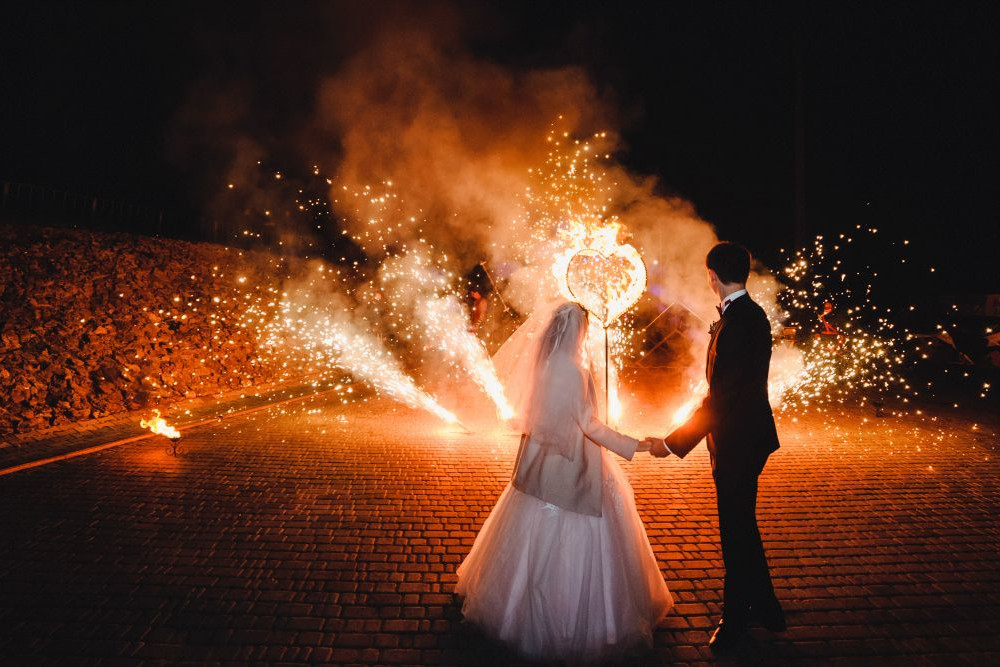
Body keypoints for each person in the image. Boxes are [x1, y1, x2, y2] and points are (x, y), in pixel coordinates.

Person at [456, 302, 672, 662]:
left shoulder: (544, 366)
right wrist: (636, 445)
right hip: (575, 469)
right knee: (587, 529)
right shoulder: (576, 372)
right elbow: (589, 425)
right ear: (578, 331)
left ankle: (510, 612)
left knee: (529, 530)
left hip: (541, 465)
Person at [645, 242, 785, 652]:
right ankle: (767, 608)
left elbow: (720, 400)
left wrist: (673, 443)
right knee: (743, 525)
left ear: (712, 275)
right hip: (745, 435)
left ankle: (736, 620)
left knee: (734, 533)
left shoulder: (740, 322)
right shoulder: (746, 315)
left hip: (739, 441)